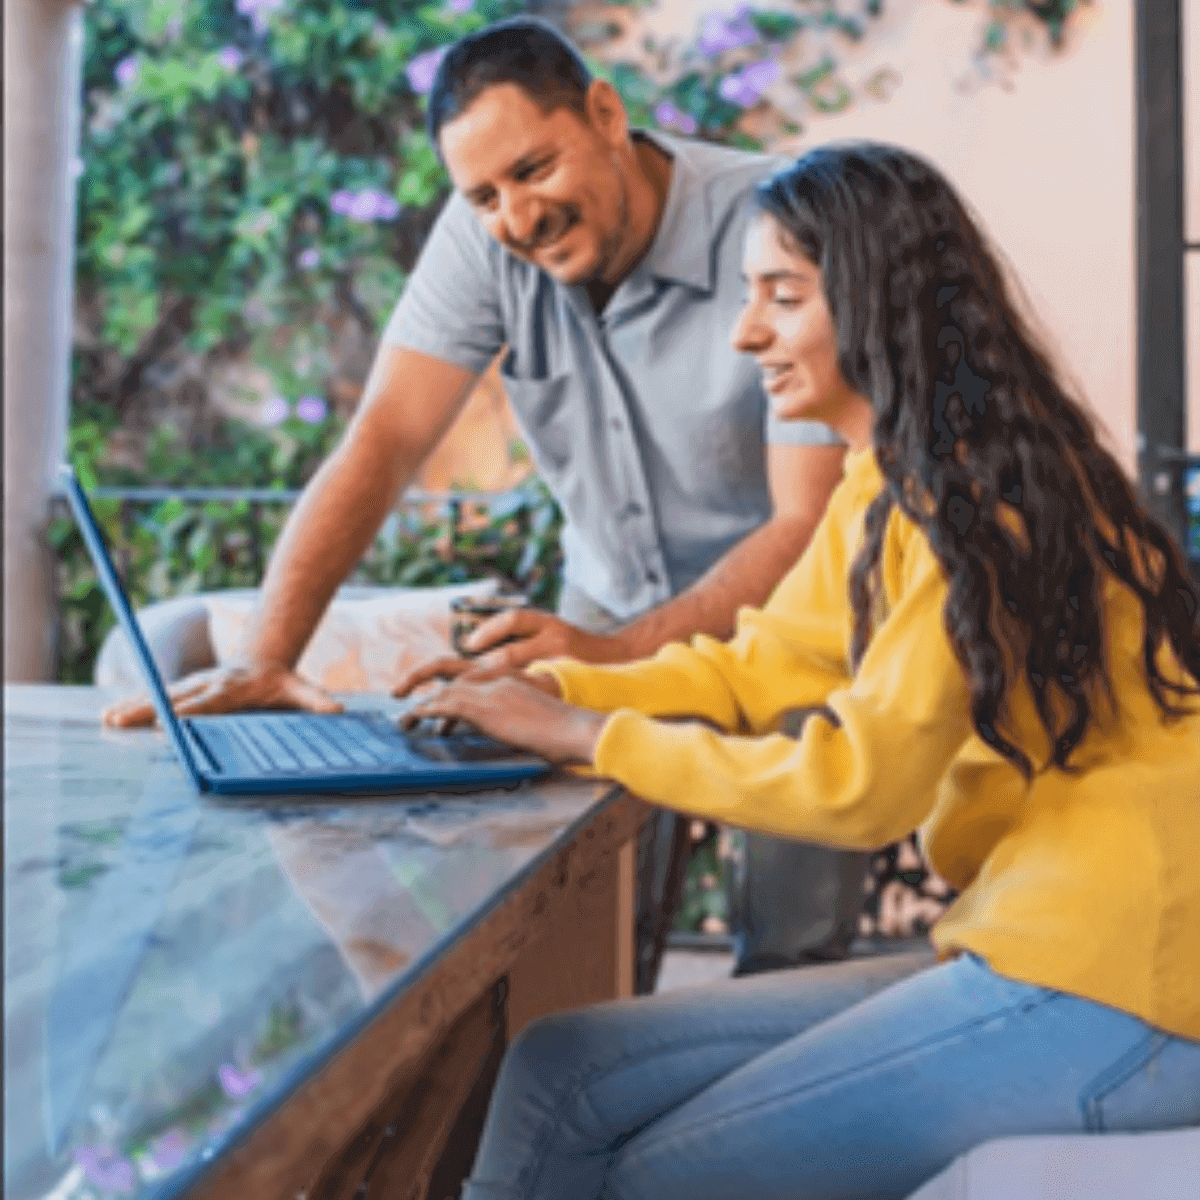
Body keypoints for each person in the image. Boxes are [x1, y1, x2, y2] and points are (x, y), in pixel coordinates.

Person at [403, 142, 1200, 1199]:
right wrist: (560, 690)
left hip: (1121, 984)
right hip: (1041, 942)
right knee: (563, 1069)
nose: (746, 335)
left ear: (879, 302)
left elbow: (860, 787)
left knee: (650, 1179)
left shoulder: (974, 506)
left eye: (782, 297)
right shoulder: (891, 483)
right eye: (749, 296)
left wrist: (597, 741)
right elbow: (764, 663)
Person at [103, 19, 869, 987]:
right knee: (574, 935)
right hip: (605, 600)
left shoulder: (773, 225)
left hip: (787, 622)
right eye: (484, 195)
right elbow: (381, 442)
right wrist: (266, 655)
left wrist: (614, 658)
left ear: (604, 113)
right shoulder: (484, 240)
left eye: (534, 169)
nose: (515, 218)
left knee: (791, 950)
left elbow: (804, 527)